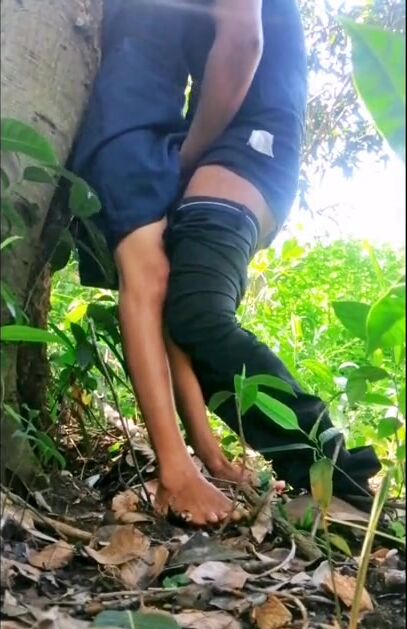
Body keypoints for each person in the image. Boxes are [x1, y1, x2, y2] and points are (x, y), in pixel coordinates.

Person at [71, 0, 381, 525]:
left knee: (192, 311)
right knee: (181, 306)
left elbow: (244, 41)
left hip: (234, 142)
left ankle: (333, 473)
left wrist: (186, 155)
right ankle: (205, 461)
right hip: (161, 137)